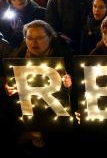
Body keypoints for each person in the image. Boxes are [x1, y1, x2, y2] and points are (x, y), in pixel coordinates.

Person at [5, 20, 73, 149]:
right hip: (28, 113)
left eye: (39, 38)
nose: (33, 43)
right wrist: (7, 86)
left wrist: (69, 85)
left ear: (50, 37)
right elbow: (8, 80)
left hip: (57, 121)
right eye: (29, 38)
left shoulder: (65, 56)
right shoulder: (18, 56)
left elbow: (76, 92)